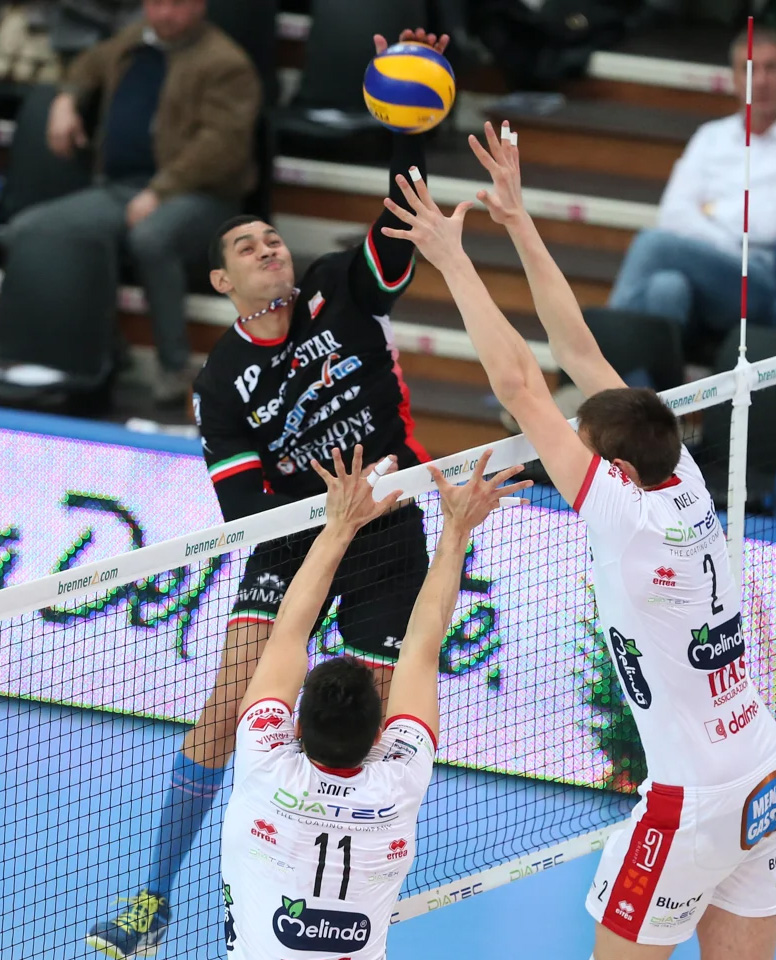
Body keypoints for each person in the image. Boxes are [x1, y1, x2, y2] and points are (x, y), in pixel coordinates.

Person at [380, 120, 776, 960]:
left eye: (582, 442)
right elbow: (576, 351)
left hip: (693, 800)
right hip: (765, 770)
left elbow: (522, 384)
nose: (570, 441)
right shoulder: (680, 473)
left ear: (614, 469)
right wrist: (517, 219)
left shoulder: (624, 514)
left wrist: (452, 257)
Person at [87, 26, 447, 960]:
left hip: (388, 533)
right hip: (294, 543)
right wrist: (327, 515)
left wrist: (408, 132)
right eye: (247, 245)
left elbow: (400, 227)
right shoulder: (219, 382)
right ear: (224, 281)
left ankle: (338, 894)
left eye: (270, 235)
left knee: (365, 724)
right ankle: (152, 898)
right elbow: (245, 514)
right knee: (227, 711)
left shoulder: (339, 290)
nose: (267, 245)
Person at [220, 444, 529, 958]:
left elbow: (287, 632)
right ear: (380, 733)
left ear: (296, 728)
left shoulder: (265, 763)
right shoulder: (398, 778)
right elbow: (421, 650)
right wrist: (456, 531)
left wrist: (340, 524)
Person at [7, 0, 261, 404]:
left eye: (177, 4)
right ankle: (102, 349)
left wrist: (161, 190)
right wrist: (65, 99)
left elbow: (221, 149)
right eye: (157, 2)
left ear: (200, 5)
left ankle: (175, 368)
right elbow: (87, 65)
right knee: (29, 229)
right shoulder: (133, 39)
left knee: (151, 237)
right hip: (122, 188)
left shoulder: (227, 64)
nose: (165, 14)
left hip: (203, 196)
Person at [608, 25, 776, 337]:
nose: (761, 81)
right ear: (734, 79)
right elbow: (673, 214)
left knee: (653, 244)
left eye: (772, 68)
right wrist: (725, 239)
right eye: (749, 69)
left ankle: (595, 357)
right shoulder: (711, 136)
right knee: (666, 288)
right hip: (709, 271)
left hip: (761, 279)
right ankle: (653, 370)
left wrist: (711, 211)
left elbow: (772, 226)